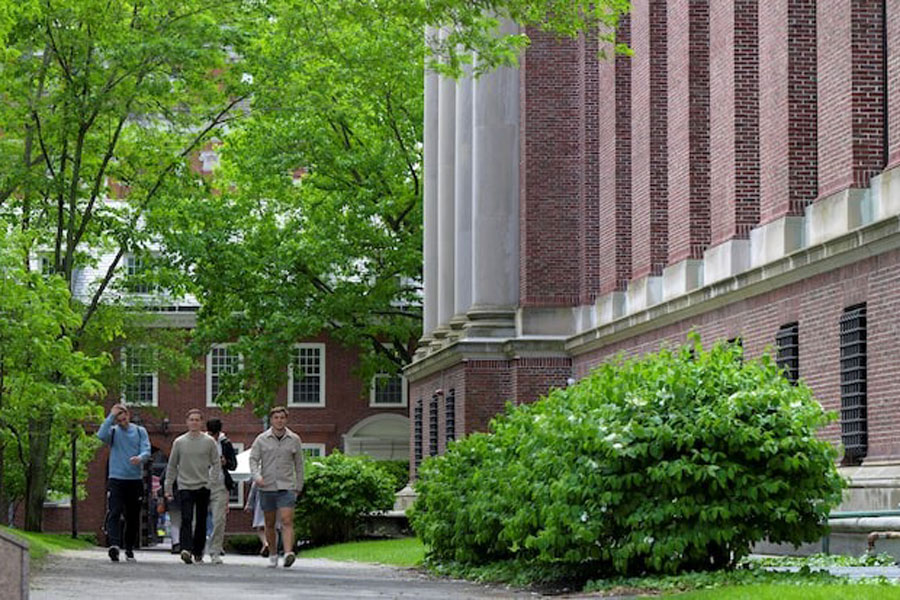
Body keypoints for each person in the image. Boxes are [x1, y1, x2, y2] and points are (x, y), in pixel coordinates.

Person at [249, 406, 304, 568]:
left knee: (287, 520)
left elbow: (299, 464)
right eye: (276, 418)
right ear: (271, 420)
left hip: (287, 485)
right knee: (270, 523)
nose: (279, 421)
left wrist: (299, 485)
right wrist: (257, 476)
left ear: (286, 420)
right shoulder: (261, 439)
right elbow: (253, 460)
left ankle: (288, 553)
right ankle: (273, 552)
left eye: (282, 418)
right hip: (267, 486)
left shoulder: (294, 439)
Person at [97, 403, 150, 563]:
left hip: (134, 480)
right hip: (116, 479)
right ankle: (114, 545)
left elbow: (146, 450)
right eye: (117, 417)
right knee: (114, 511)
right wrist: (110, 417)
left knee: (132, 516)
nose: (122, 419)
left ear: (128, 414)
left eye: (123, 415)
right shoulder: (113, 432)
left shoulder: (140, 432)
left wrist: (139, 458)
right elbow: (100, 435)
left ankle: (128, 548)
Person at [165, 408, 218, 565]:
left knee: (201, 520)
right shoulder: (179, 442)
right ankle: (185, 549)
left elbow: (216, 463)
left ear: (201, 422)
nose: (194, 422)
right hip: (185, 485)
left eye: (197, 420)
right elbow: (172, 465)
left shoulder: (209, 442)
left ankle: (198, 551)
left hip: (203, 485)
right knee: (186, 518)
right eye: (191, 419)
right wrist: (168, 487)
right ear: (187, 422)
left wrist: (211, 482)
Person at [205, 418, 237, 564]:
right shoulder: (202, 442)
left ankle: (215, 550)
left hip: (220, 484)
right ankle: (197, 549)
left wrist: (226, 462)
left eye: (215, 435)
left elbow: (233, 465)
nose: (213, 438)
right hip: (202, 483)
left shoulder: (226, 444)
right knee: (198, 518)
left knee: (219, 520)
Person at [244, 480, 281, 557]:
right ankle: (274, 549)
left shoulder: (259, 477)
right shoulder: (278, 477)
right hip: (275, 504)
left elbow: (253, 492)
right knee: (274, 527)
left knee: (260, 528)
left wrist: (249, 505)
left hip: (260, 504)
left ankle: (266, 543)